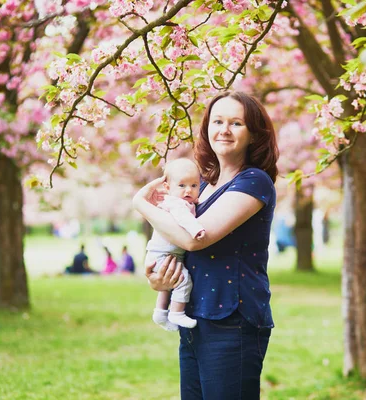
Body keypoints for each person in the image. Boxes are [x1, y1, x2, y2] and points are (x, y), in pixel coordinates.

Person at [133, 91, 279, 400]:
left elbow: (193, 238)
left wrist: (140, 204)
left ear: (253, 134)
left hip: (232, 321)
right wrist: (161, 279)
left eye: (236, 123)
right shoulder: (204, 184)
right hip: (195, 316)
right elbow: (176, 241)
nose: (224, 130)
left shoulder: (254, 181)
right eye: (218, 121)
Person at [145, 158, 206, 330]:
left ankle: (160, 312)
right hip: (163, 254)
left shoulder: (183, 202)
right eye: (182, 186)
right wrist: (196, 230)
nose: (189, 190)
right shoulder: (176, 204)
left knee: (168, 282)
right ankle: (176, 313)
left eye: (194, 186)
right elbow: (184, 219)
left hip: (164, 253)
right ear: (167, 187)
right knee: (182, 280)